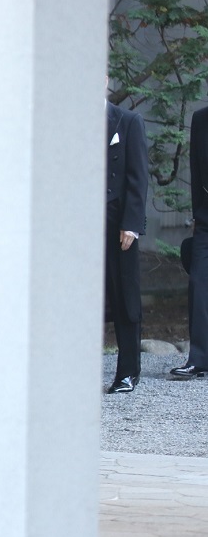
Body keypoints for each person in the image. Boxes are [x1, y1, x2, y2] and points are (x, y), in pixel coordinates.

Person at [105, 99, 149, 394]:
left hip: (117, 221)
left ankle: (128, 372)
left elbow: (138, 175)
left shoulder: (128, 121)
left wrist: (131, 223)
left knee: (124, 295)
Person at [171, 105, 208, 380]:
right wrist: (198, 215)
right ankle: (198, 359)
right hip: (206, 221)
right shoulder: (200, 119)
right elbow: (196, 170)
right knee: (198, 282)